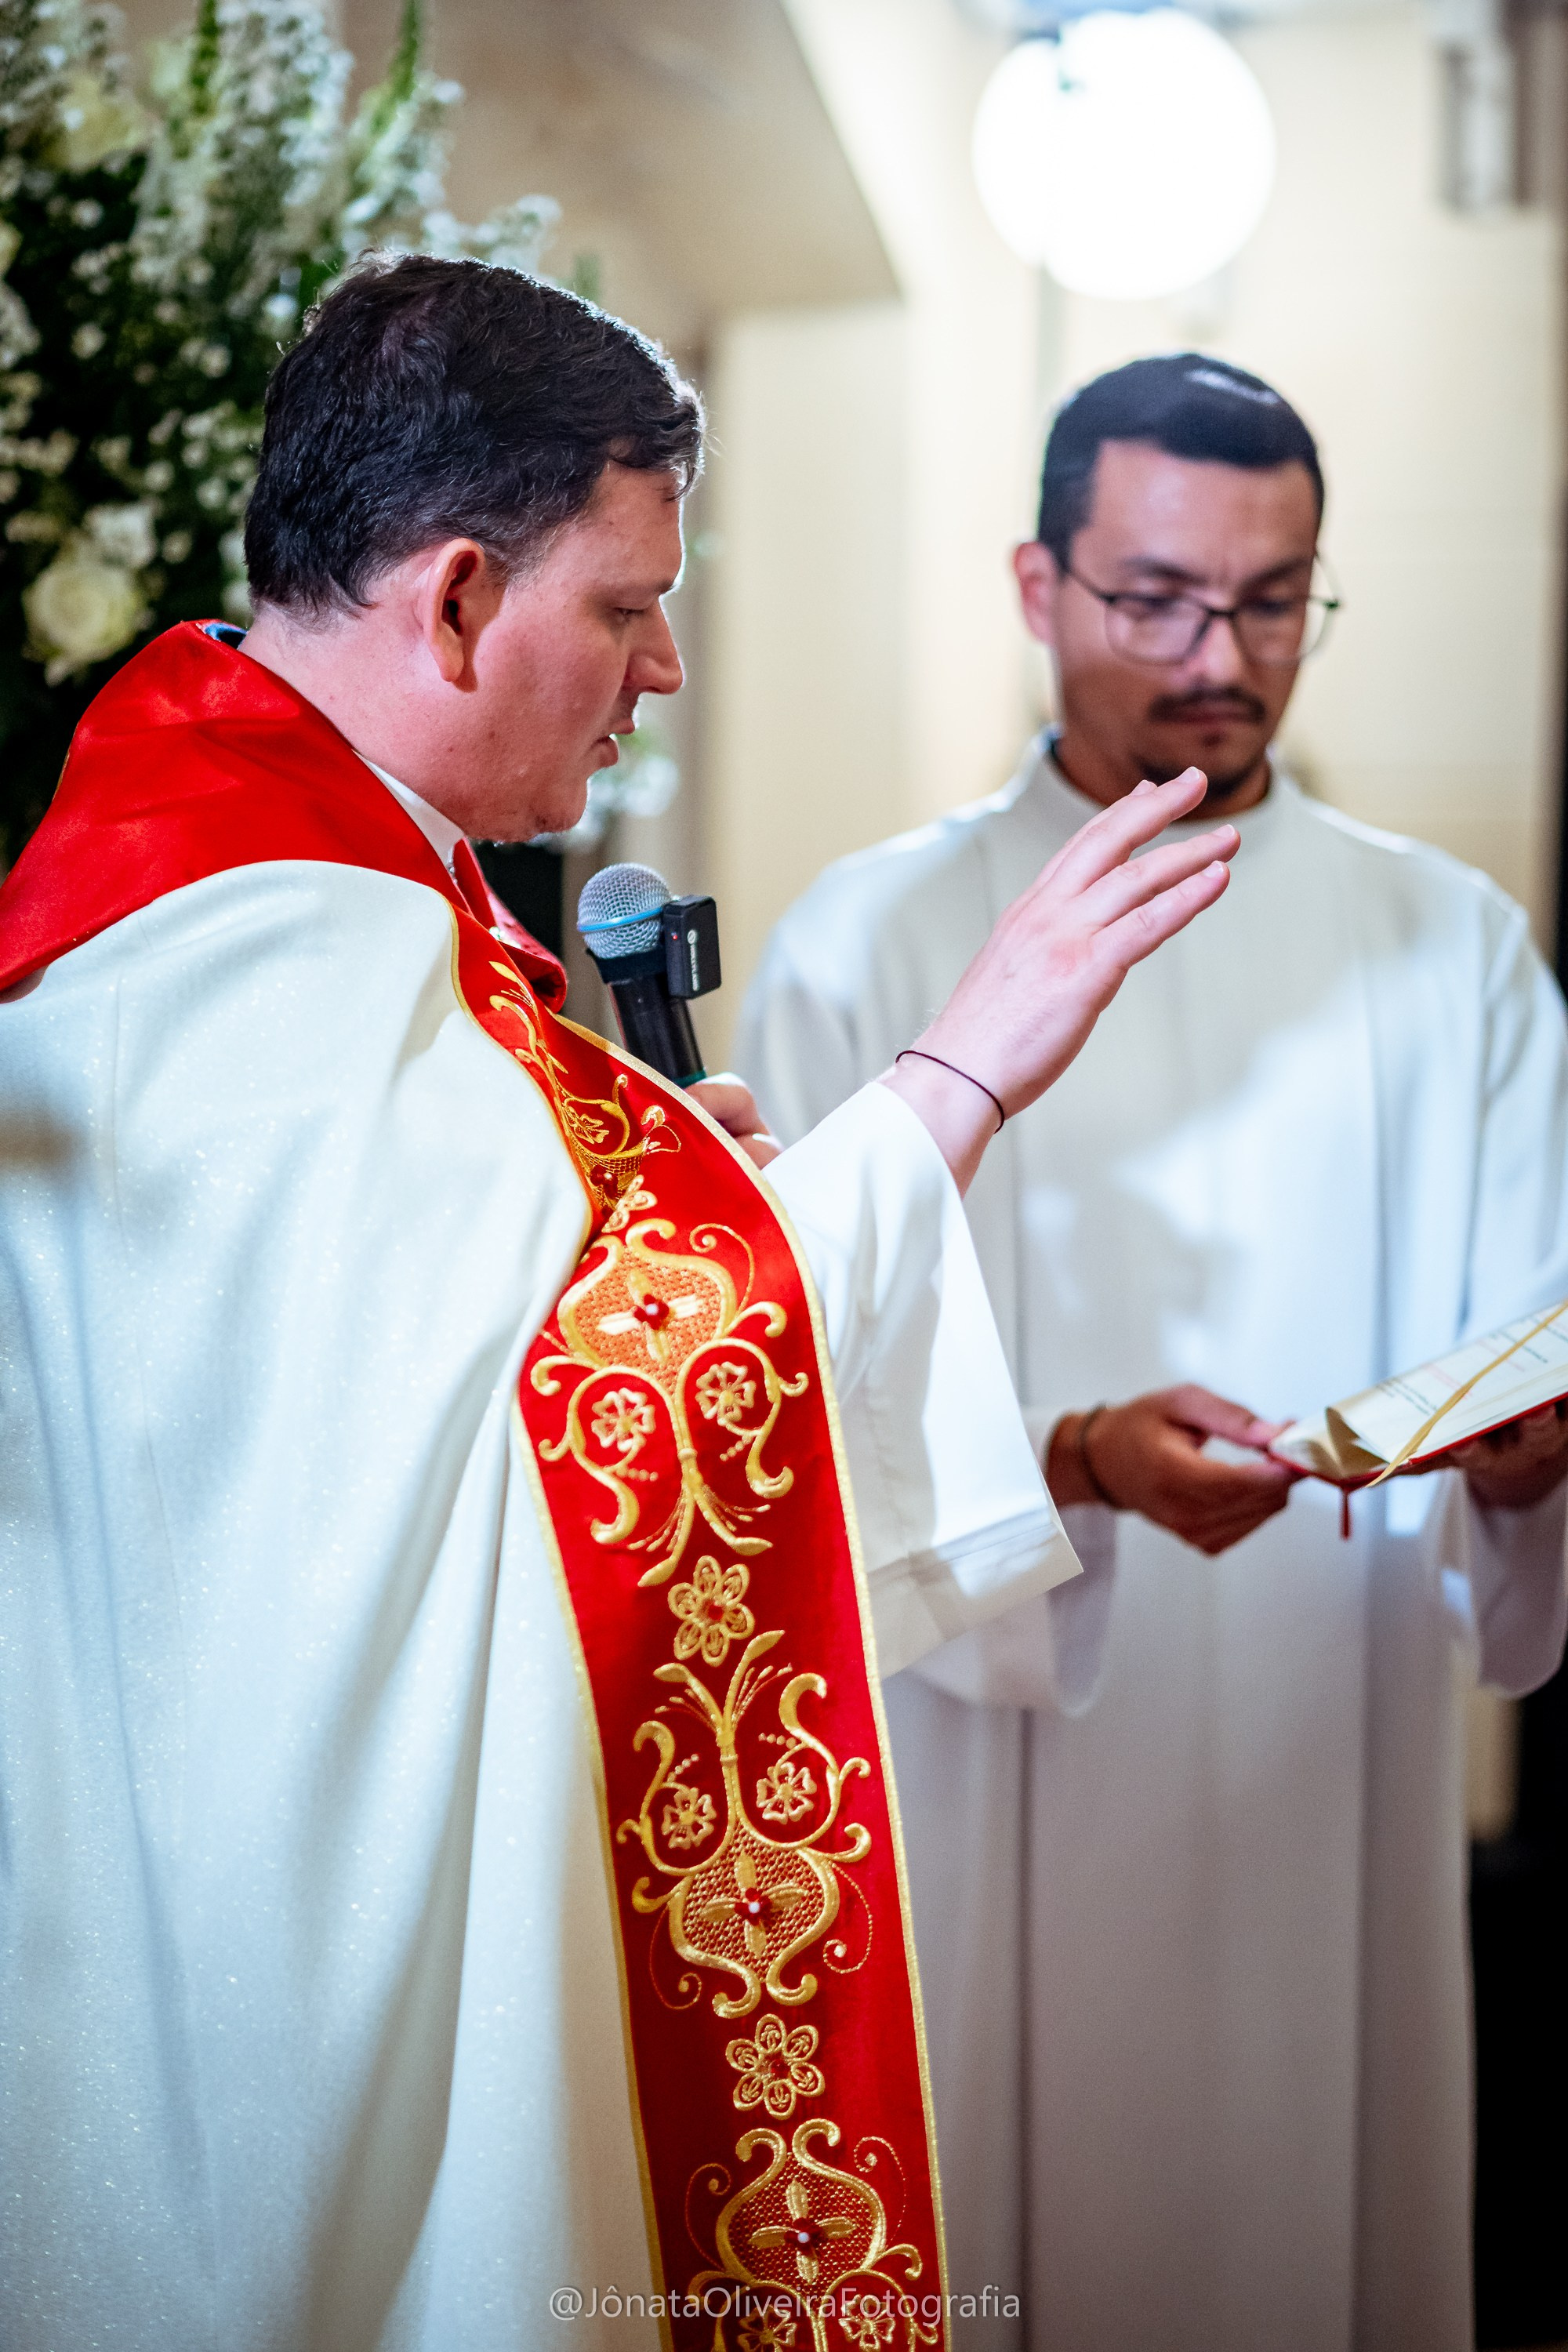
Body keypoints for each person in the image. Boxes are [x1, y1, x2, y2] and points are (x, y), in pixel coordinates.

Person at [0, 267, 1238, 2352]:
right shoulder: (252, 962)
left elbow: (477, 1368)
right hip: (247, 2052)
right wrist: (958, 1079)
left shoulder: (301, 882)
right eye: (632, 600)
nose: (664, 666)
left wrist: (672, 1193)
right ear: (466, 599)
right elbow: (580, 1437)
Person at [739, 354, 1568, 2352]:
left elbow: (1523, 1331)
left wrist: (1526, 1462)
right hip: (986, 1756)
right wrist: (1079, 1460)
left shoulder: (1443, 945)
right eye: (1156, 600)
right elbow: (791, 1420)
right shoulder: (867, 940)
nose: (1223, 655)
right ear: (1038, 586)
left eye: (1274, 600)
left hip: (1326, 1742)